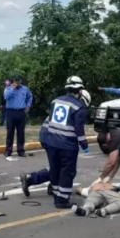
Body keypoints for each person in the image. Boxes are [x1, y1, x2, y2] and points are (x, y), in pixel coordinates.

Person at [20, 88, 92, 197]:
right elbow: (78, 129)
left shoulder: (64, 105)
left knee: (57, 165)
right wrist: (84, 144)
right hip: (53, 137)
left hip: (47, 136)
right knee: (61, 167)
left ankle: (47, 184)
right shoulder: (75, 109)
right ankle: (33, 179)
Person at [43, 75, 90, 209]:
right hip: (67, 145)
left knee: (55, 169)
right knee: (67, 172)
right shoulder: (78, 106)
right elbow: (79, 130)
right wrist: (84, 145)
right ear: (79, 90)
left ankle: (57, 194)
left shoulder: (55, 101)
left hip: (52, 142)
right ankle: (62, 200)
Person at [3, 75, 33, 158]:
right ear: (13, 81)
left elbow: (30, 97)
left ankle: (21, 151)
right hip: (11, 112)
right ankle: (8, 150)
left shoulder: (25, 89)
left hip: (21, 112)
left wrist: (28, 106)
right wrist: (13, 87)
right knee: (10, 132)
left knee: (21, 132)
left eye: (19, 80)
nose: (17, 82)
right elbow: (6, 97)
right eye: (16, 80)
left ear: (21, 81)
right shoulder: (8, 88)